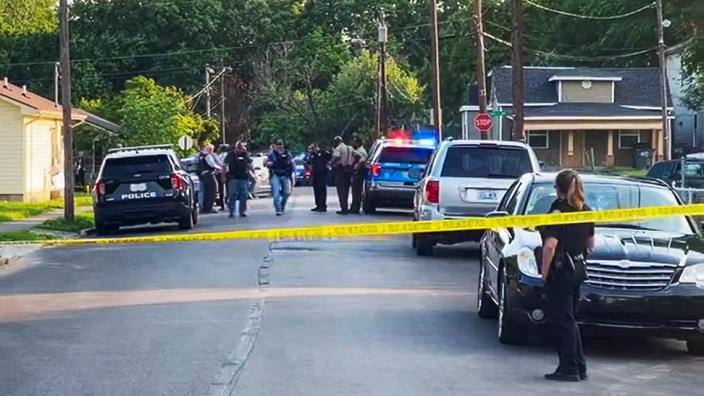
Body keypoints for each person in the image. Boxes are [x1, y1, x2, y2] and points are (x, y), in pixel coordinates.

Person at [540, 169, 594, 382]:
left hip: (560, 272)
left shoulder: (557, 211)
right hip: (578, 270)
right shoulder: (586, 210)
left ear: (559, 189)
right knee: (570, 319)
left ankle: (568, 368)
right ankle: (580, 366)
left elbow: (550, 246)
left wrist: (544, 272)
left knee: (563, 321)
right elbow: (591, 245)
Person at [267, 139, 295, 216]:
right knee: (276, 194)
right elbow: (267, 162)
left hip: (285, 175)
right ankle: (278, 209)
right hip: (276, 175)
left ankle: (282, 206)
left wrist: (292, 175)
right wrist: (269, 163)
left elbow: (292, 164)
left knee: (287, 193)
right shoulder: (272, 154)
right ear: (275, 146)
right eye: (278, 145)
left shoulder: (288, 154)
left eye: (281, 145)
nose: (279, 146)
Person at [224, 142, 252, 218]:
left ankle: (242, 211)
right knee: (232, 195)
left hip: (243, 177)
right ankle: (231, 211)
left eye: (241, 148)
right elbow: (225, 164)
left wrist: (249, 171)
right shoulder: (230, 154)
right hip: (233, 177)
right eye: (238, 148)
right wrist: (224, 175)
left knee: (244, 194)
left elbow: (249, 163)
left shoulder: (245, 154)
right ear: (235, 148)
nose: (240, 150)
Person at [328, 136, 355, 215]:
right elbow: (357, 155)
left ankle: (343, 208)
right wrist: (352, 163)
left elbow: (336, 157)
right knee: (346, 189)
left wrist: (330, 163)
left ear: (337, 142)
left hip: (340, 170)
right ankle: (345, 207)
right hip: (348, 170)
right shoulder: (349, 148)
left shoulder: (338, 148)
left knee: (341, 190)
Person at [307, 143, 332, 212]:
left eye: (314, 148)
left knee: (322, 189)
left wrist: (328, 165)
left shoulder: (323, 153)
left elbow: (331, 157)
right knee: (316, 189)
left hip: (322, 173)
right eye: (312, 149)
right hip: (315, 173)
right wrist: (310, 167)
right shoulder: (312, 155)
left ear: (317, 147)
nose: (313, 150)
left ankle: (323, 205)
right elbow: (308, 162)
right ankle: (318, 205)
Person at [198, 143, 222, 214]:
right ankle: (209, 207)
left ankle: (205, 207)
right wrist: (220, 168)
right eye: (211, 150)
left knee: (206, 191)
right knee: (212, 190)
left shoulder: (201, 155)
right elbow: (212, 164)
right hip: (209, 174)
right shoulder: (207, 156)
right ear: (209, 149)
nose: (212, 152)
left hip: (204, 175)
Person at [349, 137, 368, 214]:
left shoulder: (361, 151)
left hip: (359, 174)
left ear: (358, 143)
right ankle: (354, 207)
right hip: (357, 173)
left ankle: (355, 208)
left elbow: (361, 162)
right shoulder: (358, 150)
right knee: (355, 191)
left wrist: (356, 171)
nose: (353, 144)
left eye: (354, 142)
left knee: (357, 192)